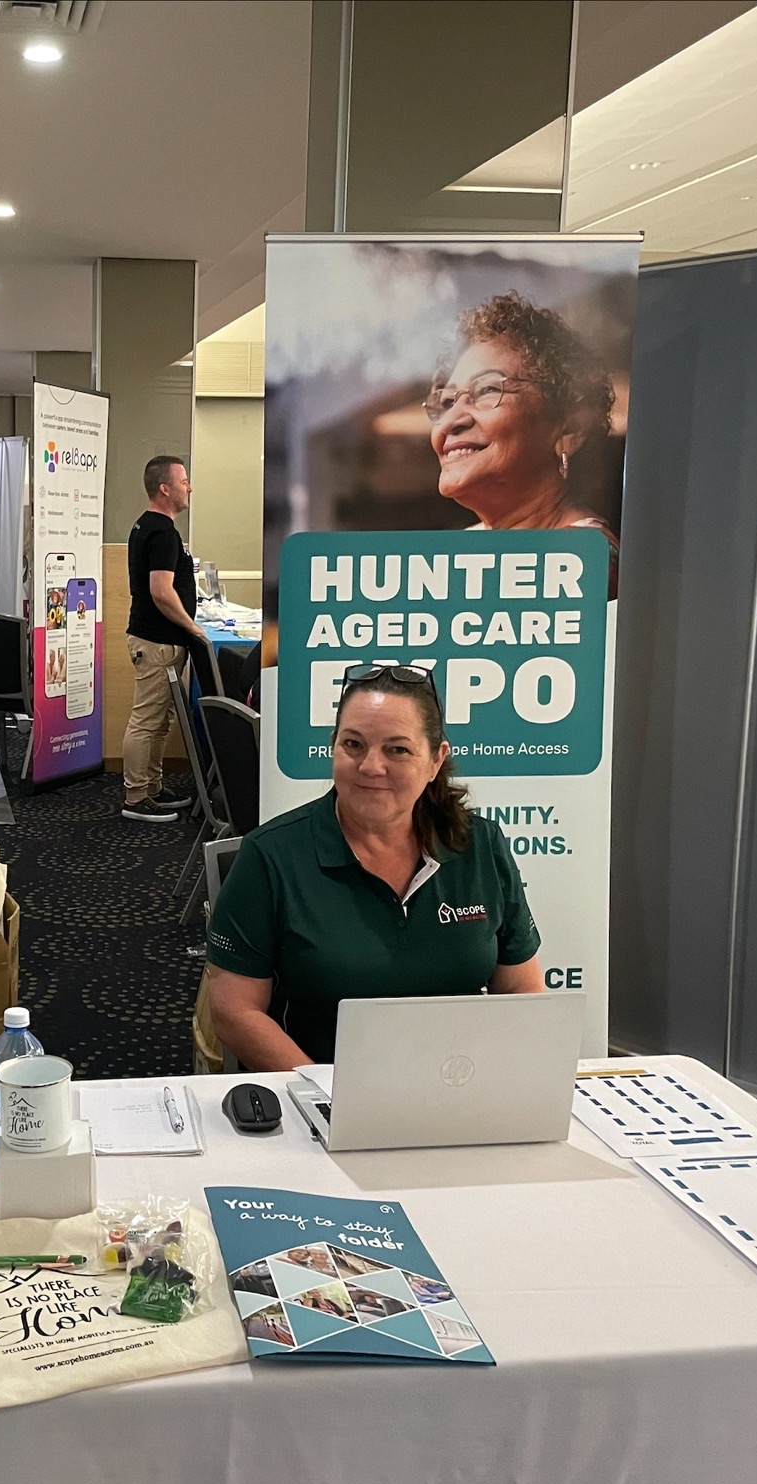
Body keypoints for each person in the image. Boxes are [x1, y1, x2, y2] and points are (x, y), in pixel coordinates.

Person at [205, 665, 544, 1068]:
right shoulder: (271, 856)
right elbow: (234, 1012)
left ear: (435, 761)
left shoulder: (480, 844)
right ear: (333, 747)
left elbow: (521, 989)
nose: (370, 766)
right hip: (319, 1086)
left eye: (397, 750)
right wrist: (328, 1094)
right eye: (353, 744)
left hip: (457, 1083)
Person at [428, 291, 619, 594]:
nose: (452, 420)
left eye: (488, 390)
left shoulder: (582, 564)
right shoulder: (447, 561)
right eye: (448, 401)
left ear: (570, 428)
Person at [121, 454, 205, 823]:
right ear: (165, 488)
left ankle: (152, 787)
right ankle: (136, 797)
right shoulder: (162, 533)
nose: (190, 488)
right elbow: (161, 591)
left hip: (156, 640)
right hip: (157, 642)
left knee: (160, 718)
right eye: (184, 482)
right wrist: (192, 626)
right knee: (147, 719)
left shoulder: (150, 526)